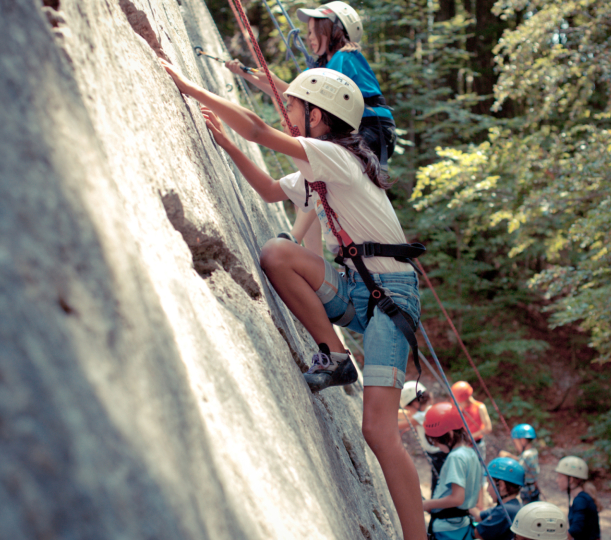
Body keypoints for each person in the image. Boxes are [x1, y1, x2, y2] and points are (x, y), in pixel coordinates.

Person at [162, 64, 426, 540]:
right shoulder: (318, 172)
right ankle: (337, 356)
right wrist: (223, 142)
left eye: (296, 106)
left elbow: (258, 129)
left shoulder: (337, 160)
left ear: (318, 117)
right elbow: (267, 190)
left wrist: (185, 84)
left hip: (392, 300)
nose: (288, 114)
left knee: (379, 433)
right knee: (278, 254)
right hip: (361, 290)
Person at [227, 1, 396, 169]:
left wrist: (275, 79)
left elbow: (310, 98)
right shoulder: (320, 67)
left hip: (372, 129)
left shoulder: (346, 57)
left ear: (333, 30)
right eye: (308, 32)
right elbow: (290, 97)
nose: (309, 37)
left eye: (314, 31)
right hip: (359, 129)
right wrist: (245, 75)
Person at [422, 402, 483, 540]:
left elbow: (457, 498)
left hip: (447, 528)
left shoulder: (456, 457)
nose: (436, 445)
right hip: (462, 525)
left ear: (448, 434)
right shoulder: (470, 452)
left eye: (435, 440)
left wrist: (426, 504)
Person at [398, 381, 447, 494]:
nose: (408, 411)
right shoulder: (429, 410)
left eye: (408, 407)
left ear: (415, 404)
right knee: (440, 482)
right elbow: (405, 414)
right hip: (440, 455)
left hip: (439, 456)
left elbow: (399, 424)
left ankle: (437, 507)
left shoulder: (422, 416)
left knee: (438, 486)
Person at [472, 458, 525, 540]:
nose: (487, 490)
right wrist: (463, 502)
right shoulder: (513, 505)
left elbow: (477, 534)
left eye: (489, 484)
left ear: (501, 485)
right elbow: (478, 516)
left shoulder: (505, 510)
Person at [555, 456, 600, 540]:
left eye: (560, 477)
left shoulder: (580, 500)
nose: (557, 480)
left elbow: (575, 529)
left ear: (570, 479)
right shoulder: (582, 497)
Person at [499, 424, 540, 503]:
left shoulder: (526, 455)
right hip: (533, 489)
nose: (515, 446)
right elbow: (522, 460)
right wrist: (510, 456)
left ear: (523, 440)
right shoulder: (533, 452)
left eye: (515, 442)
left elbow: (518, 469)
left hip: (527, 491)